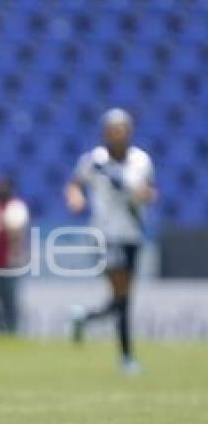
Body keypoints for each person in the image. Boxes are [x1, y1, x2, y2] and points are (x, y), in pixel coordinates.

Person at [65, 108, 156, 375]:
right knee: (123, 296)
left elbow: (148, 192)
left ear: (129, 131)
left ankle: (85, 316)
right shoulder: (94, 160)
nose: (116, 134)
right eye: (111, 129)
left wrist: (136, 191)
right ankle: (127, 358)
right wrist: (75, 197)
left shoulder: (140, 160)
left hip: (133, 234)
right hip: (106, 235)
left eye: (121, 129)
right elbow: (75, 183)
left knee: (123, 298)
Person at [0, 176, 29, 335]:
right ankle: (1, 330)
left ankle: (12, 330)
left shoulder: (16, 207)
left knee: (10, 298)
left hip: (11, 261)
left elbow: (15, 230)